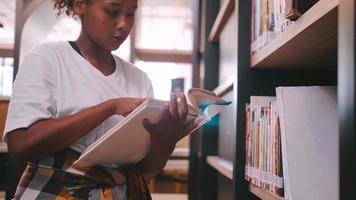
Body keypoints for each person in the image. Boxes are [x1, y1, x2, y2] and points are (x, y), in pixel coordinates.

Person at [3, 0, 198, 199]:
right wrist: (110, 107)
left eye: (131, 14)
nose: (124, 24)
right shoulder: (48, 58)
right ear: (80, 5)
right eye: (112, 11)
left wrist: (165, 142)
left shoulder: (139, 79)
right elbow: (20, 145)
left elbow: (144, 171)